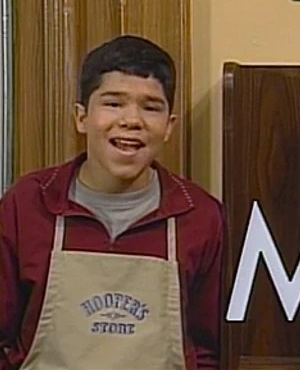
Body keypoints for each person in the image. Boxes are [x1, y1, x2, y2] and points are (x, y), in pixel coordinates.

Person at [0, 35, 224, 369]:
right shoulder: (28, 203)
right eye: (113, 103)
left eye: (151, 107)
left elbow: (210, 350)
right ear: (81, 117)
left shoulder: (201, 217)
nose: (132, 120)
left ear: (168, 126)